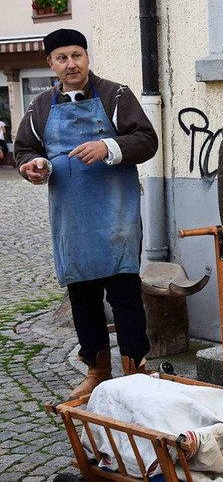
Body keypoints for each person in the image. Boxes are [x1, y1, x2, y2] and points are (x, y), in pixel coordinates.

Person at [14, 28, 158, 398]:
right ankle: (97, 370)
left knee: (125, 294)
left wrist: (108, 146)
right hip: (72, 219)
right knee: (83, 297)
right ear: (51, 64)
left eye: (77, 55)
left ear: (87, 58)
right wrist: (33, 165)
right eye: (62, 58)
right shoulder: (40, 106)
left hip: (116, 216)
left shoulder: (116, 95)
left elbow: (146, 140)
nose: (71, 63)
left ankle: (134, 369)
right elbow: (24, 150)